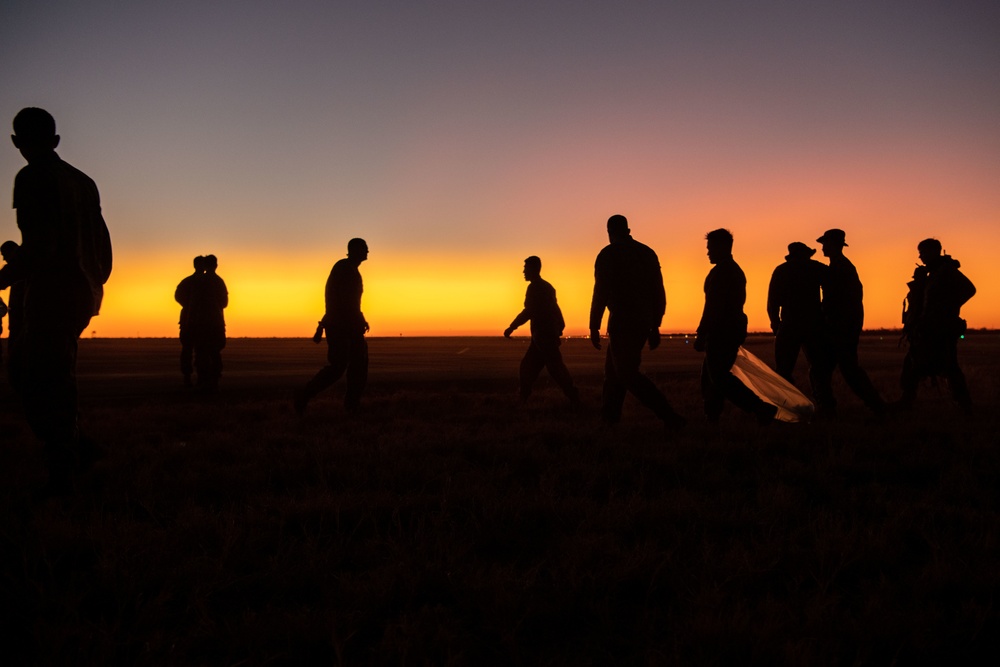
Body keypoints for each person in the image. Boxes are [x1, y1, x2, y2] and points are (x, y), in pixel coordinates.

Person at [0, 108, 113, 493]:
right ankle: (75, 450)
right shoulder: (83, 182)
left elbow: (41, 248)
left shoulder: (32, 177)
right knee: (37, 374)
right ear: (56, 140)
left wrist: (5, 277)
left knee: (41, 380)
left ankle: (65, 466)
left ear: (16, 142)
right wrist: (92, 284)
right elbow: (103, 246)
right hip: (79, 293)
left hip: (51, 294)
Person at [589, 214, 685, 430]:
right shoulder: (647, 253)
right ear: (628, 229)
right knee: (613, 373)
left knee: (626, 373)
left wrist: (594, 324)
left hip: (623, 322)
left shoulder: (608, 254)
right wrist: (656, 324)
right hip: (642, 322)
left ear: (609, 232)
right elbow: (658, 291)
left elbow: (601, 292)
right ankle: (609, 420)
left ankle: (669, 416)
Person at [694, 229, 778, 425]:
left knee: (720, 378)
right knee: (711, 377)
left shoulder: (724, 272)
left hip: (723, 331)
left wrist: (702, 333)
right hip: (728, 329)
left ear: (723, 247)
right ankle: (712, 416)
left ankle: (761, 408)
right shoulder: (730, 270)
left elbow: (714, 307)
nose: (708, 253)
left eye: (711, 248)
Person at [898, 238, 975, 411]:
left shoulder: (947, 271)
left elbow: (970, 289)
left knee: (948, 366)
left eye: (923, 252)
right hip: (928, 330)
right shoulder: (933, 273)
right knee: (913, 363)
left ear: (933, 252)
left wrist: (949, 307)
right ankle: (906, 400)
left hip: (941, 329)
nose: (920, 256)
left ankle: (965, 404)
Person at [814, 228, 885, 417]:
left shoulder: (842, 268)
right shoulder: (839, 266)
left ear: (834, 245)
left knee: (847, 370)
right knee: (825, 370)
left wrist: (836, 323)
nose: (822, 247)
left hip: (840, 329)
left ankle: (877, 407)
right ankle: (829, 408)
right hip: (840, 327)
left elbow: (845, 300)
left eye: (825, 243)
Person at [295, 238, 370, 415]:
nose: (367, 251)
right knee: (338, 367)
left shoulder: (350, 270)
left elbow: (348, 301)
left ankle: (352, 406)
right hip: (341, 327)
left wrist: (360, 319)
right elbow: (344, 301)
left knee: (358, 364)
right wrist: (358, 319)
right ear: (354, 250)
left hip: (348, 325)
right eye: (364, 248)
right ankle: (304, 396)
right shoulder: (344, 269)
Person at [504, 256, 580, 406]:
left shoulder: (535, 288)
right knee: (531, 368)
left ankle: (574, 398)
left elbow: (529, 311)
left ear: (533, 269)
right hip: (542, 338)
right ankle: (524, 399)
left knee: (555, 369)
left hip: (544, 338)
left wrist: (512, 327)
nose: (523, 272)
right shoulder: (547, 287)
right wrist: (560, 325)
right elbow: (555, 308)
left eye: (525, 268)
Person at [766, 242, 828, 391]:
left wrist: (776, 324)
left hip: (789, 323)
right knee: (819, 369)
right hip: (813, 324)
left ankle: (787, 404)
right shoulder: (816, 268)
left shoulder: (781, 270)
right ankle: (825, 405)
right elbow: (835, 288)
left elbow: (772, 302)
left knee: (783, 370)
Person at [190, 254, 228, 392]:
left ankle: (202, 380)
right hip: (215, 323)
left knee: (201, 352)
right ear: (216, 265)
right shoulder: (219, 282)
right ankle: (214, 380)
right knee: (214, 352)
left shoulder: (198, 281)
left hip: (200, 323)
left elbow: (191, 302)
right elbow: (224, 303)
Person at [174, 255, 206, 387]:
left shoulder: (187, 281)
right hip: (196, 321)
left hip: (190, 320)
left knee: (191, 350)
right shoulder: (206, 282)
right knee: (197, 350)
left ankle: (190, 377)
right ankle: (194, 377)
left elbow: (177, 296)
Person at [1, 240, 26, 389]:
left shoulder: (23, 268)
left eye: (4, 255)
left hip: (24, 325)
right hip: (19, 325)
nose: (4, 259)